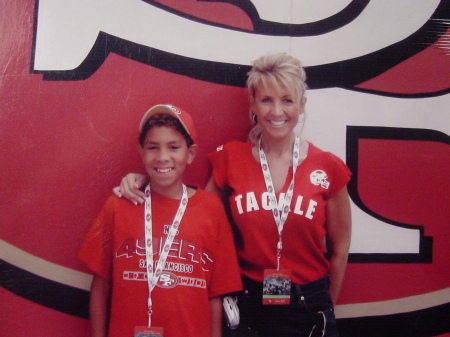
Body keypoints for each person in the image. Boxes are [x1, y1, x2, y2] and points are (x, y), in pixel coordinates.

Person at [114, 53, 352, 337]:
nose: (277, 112)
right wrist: (148, 178)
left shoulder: (328, 167)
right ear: (253, 103)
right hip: (247, 303)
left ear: (302, 105)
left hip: (308, 306)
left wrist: (323, 307)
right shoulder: (230, 159)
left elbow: (339, 251)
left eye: (287, 100)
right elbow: (195, 213)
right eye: (267, 100)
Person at [79, 104, 242, 337]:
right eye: (153, 147)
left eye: (174, 147)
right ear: (141, 151)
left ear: (191, 153)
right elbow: (100, 285)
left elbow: (215, 294)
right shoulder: (118, 205)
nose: (163, 157)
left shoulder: (211, 209)